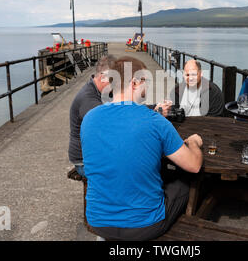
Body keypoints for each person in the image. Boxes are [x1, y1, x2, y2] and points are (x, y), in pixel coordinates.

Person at [81, 56, 203, 241]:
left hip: (98, 222)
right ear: (135, 82)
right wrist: (194, 143)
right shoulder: (155, 121)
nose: (147, 87)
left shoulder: (89, 118)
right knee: (185, 181)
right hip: (145, 226)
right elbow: (194, 165)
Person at [67, 55, 117, 180]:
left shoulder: (100, 91)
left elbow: (122, 106)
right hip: (85, 162)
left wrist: (153, 108)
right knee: (128, 173)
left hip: (95, 154)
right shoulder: (88, 99)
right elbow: (112, 123)